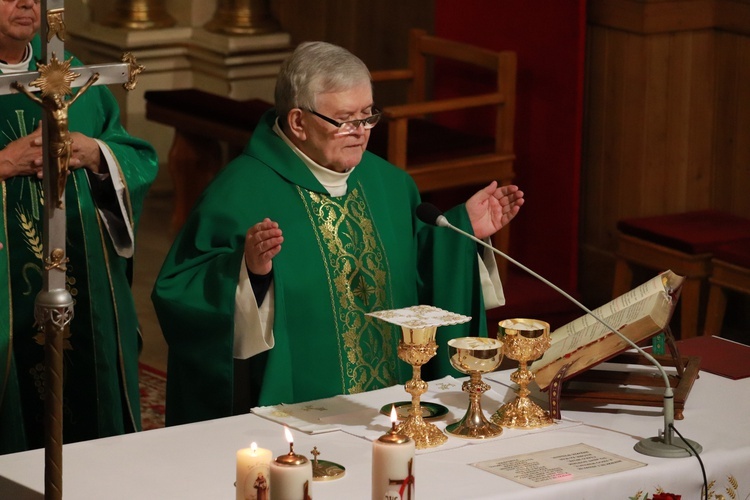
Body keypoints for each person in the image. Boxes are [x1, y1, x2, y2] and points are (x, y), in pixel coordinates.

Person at [152, 41, 524, 426]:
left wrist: (462, 231)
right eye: (346, 120)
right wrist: (248, 272)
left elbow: (417, 266)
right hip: (295, 419)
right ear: (298, 122)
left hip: (393, 406)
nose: (361, 133)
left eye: (368, 116)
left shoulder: (389, 183)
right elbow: (181, 294)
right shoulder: (239, 193)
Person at [0, 0, 158, 454]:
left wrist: (96, 154)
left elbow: (134, 156)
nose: (28, 3)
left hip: (81, 293)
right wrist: (5, 162)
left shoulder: (69, 79)